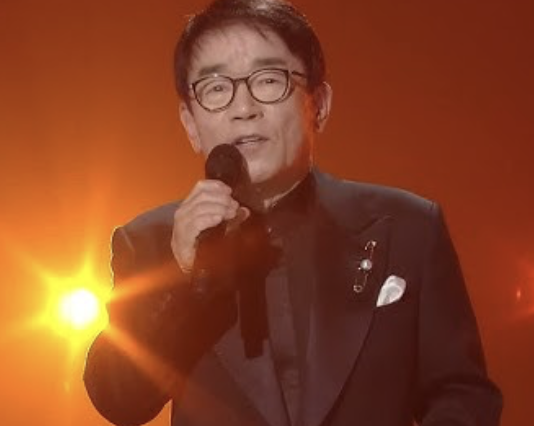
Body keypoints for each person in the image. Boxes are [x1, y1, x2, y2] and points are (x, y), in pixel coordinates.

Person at [83, 0, 503, 425]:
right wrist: (183, 279)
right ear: (190, 124)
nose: (243, 108)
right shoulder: (152, 240)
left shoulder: (408, 226)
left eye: (269, 80)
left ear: (318, 104)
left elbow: (462, 395)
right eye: (216, 89)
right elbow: (119, 399)